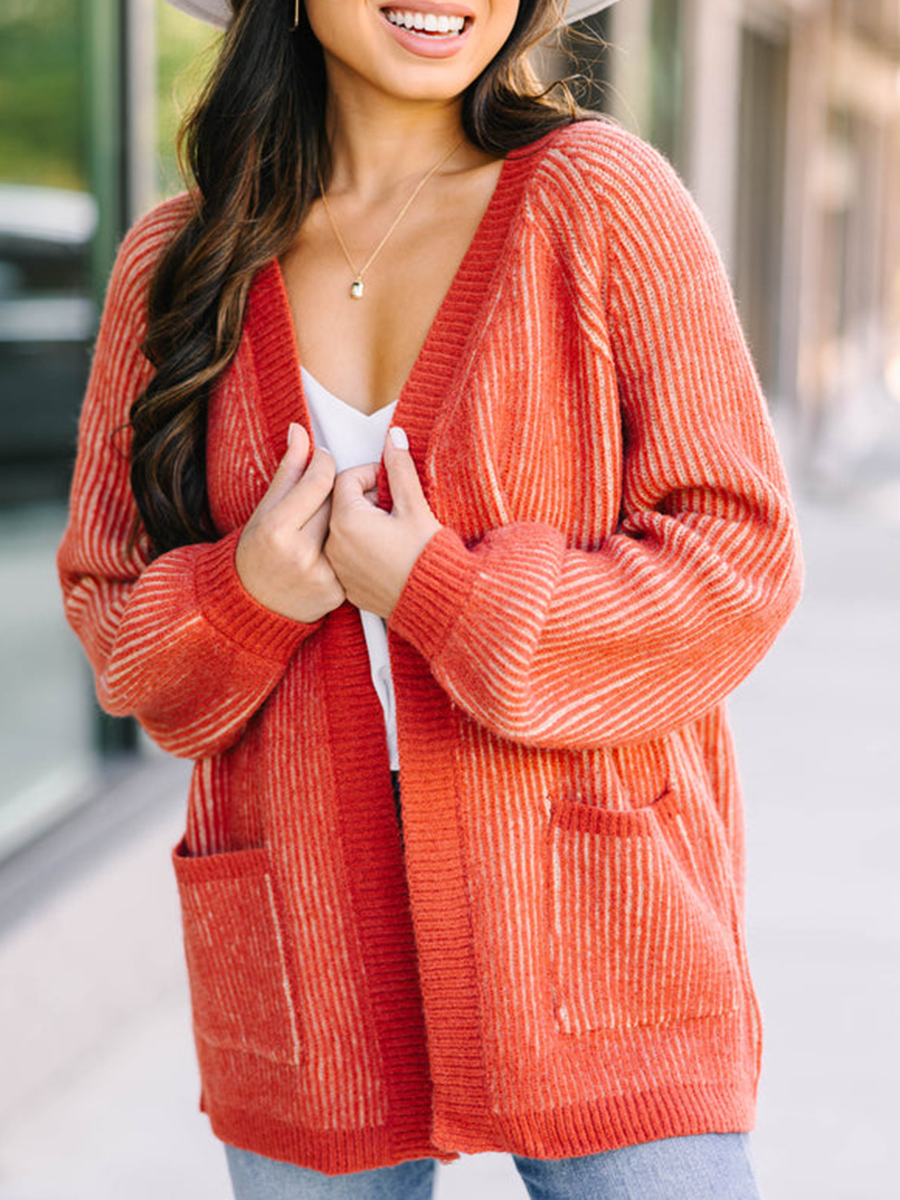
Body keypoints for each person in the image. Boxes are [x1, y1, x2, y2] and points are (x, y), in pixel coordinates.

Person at [57, 0, 803, 1196]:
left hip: (601, 936)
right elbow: (110, 614)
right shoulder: (180, 263)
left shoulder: (602, 199)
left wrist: (446, 598)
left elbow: (741, 562)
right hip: (305, 958)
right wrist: (244, 596)